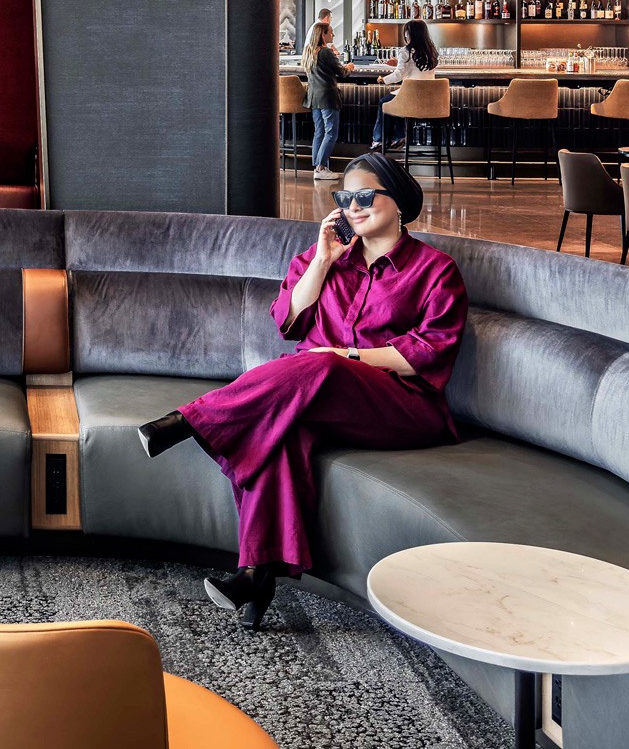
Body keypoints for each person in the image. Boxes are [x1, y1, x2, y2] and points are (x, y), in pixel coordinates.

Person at [136, 153, 463, 628]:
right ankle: (255, 575)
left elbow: (427, 352)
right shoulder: (322, 257)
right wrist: (325, 262)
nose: (353, 206)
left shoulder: (436, 269)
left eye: (365, 195)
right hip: (316, 391)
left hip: (401, 403)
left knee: (319, 367)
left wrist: (346, 357)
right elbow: (287, 321)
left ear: (398, 199)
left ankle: (194, 419)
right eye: (344, 197)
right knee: (282, 432)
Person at [371, 18, 437, 150]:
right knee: (397, 101)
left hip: (410, 97)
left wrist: (384, 80)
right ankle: (400, 137)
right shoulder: (432, 51)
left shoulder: (405, 51)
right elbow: (417, 68)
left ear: (409, 34)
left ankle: (379, 140)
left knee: (385, 102)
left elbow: (398, 75)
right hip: (431, 100)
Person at [300, 21, 349, 181]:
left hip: (314, 97)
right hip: (327, 97)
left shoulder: (309, 51)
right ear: (323, 34)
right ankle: (321, 167)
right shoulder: (325, 52)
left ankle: (318, 168)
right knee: (331, 133)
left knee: (319, 132)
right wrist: (350, 67)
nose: (333, 35)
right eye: (331, 32)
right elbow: (341, 72)